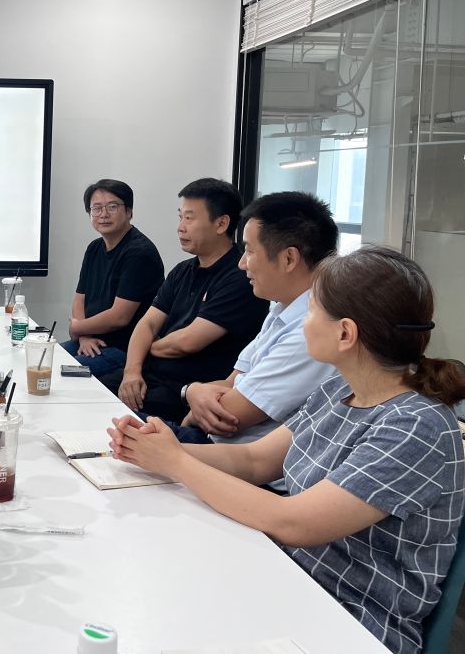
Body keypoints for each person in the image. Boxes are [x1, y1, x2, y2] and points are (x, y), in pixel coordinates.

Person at [109, 245, 465, 654]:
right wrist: (156, 451)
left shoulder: (416, 426)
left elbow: (293, 522)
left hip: (350, 620)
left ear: (345, 334)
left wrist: (177, 463)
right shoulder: (338, 390)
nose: (303, 324)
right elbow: (254, 460)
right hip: (288, 578)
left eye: (311, 312)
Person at [173, 191, 340, 447]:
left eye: (249, 251)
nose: (242, 263)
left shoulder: (311, 331)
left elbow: (230, 415)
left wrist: (192, 394)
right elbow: (232, 382)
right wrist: (193, 392)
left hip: (238, 460)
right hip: (216, 445)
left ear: (288, 258)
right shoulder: (282, 309)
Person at [109, 178, 269, 423]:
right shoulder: (182, 270)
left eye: (190, 218)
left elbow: (187, 342)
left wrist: (150, 346)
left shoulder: (240, 278)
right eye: (180, 217)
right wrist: (132, 372)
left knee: (108, 417)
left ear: (221, 223)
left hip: (185, 390)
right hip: (149, 375)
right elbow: (147, 324)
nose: (180, 227)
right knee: (85, 393)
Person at [63, 179, 164, 377]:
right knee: (43, 361)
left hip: (124, 349)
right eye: (97, 208)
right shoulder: (94, 248)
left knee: (61, 373)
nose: (104, 214)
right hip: (90, 340)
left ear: (129, 211)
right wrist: (83, 335)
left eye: (112, 207)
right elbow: (80, 298)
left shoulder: (139, 253)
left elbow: (120, 317)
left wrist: (77, 327)